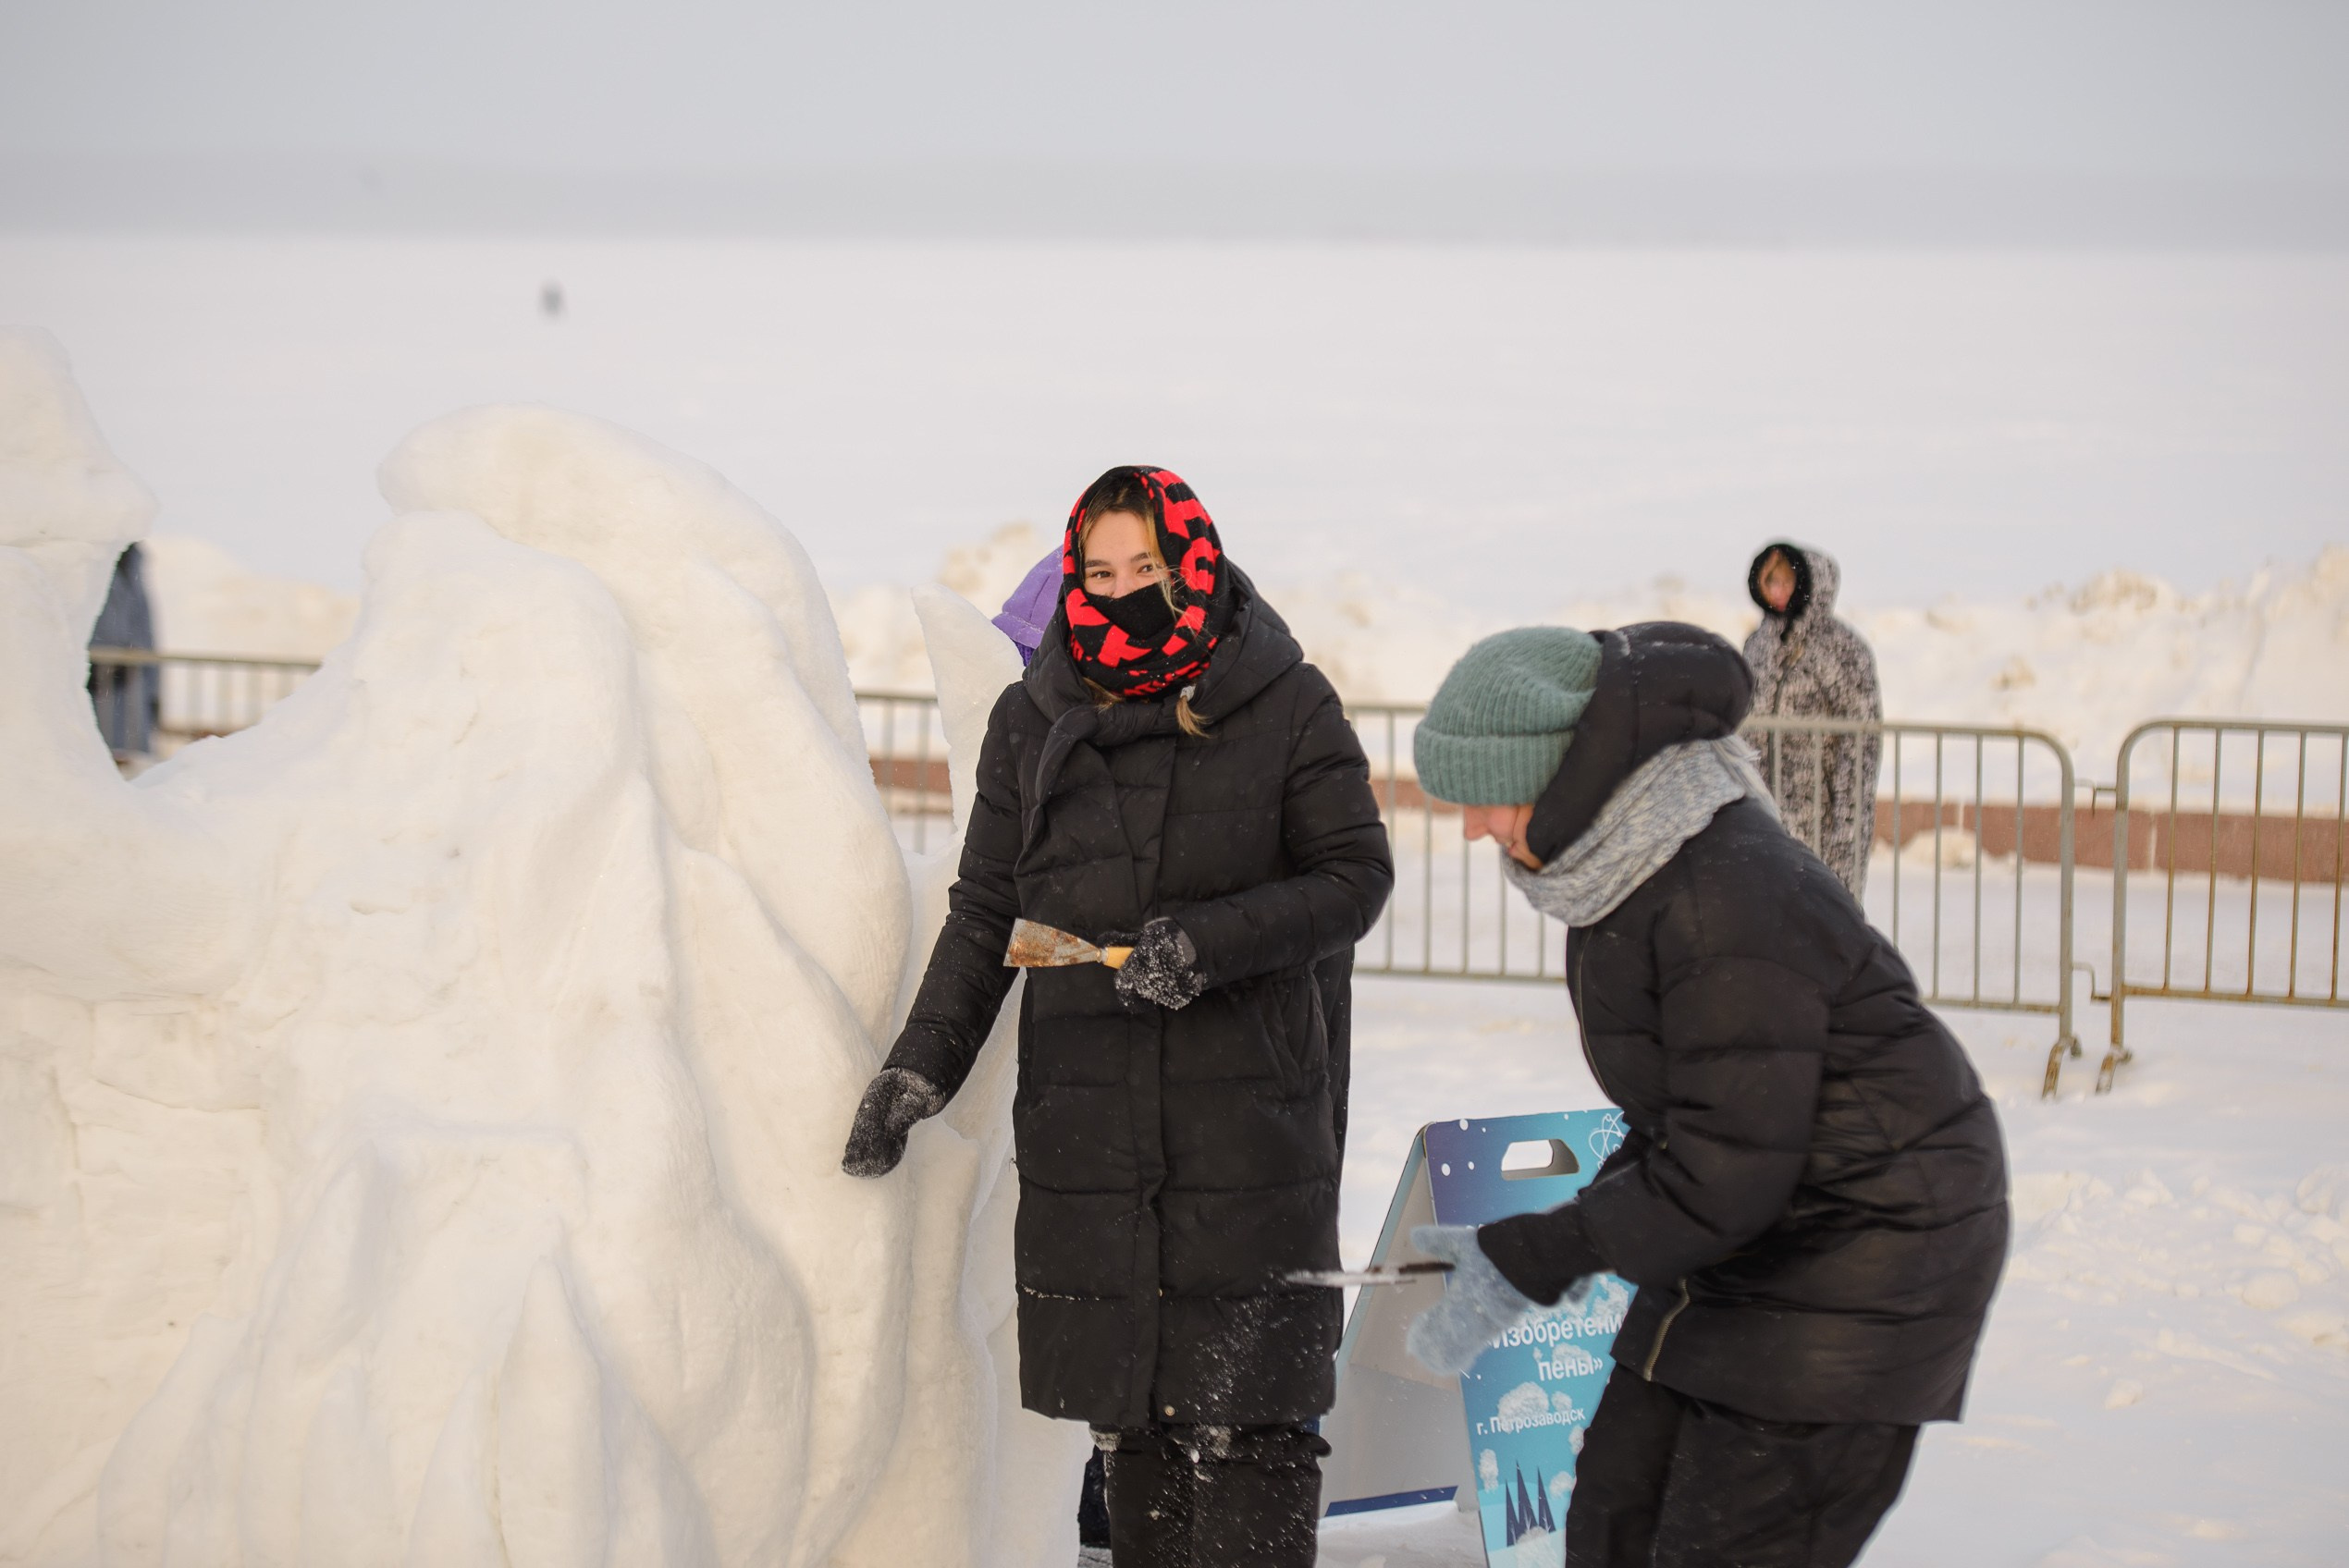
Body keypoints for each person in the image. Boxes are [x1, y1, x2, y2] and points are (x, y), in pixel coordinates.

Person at [842, 465, 1393, 1568]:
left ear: (1194, 559)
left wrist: (1208, 944)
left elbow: (1354, 875)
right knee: (1133, 1442)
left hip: (1244, 1140)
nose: (1124, 588)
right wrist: (921, 1065)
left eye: (1146, 565)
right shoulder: (1030, 718)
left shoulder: (1285, 701)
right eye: (1099, 571)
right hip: (1091, 1133)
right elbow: (988, 910)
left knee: (1250, 1441)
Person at [1403, 623, 2008, 1568]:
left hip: (1868, 1252)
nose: (1473, 826)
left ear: (1559, 773)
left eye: (1483, 795)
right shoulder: (1618, 868)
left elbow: (1724, 1168)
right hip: (1750, 1234)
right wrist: (1539, 1243)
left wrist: (1544, 1248)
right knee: (1613, 1521)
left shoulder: (1718, 894)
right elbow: (1690, 1123)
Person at [1742, 542, 1881, 900]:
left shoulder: (1842, 647)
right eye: (1769, 581)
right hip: (1761, 817)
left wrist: (1845, 832)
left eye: (1786, 581)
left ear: (1808, 583)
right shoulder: (1757, 645)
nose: (1777, 591)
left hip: (1820, 819)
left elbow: (1861, 742)